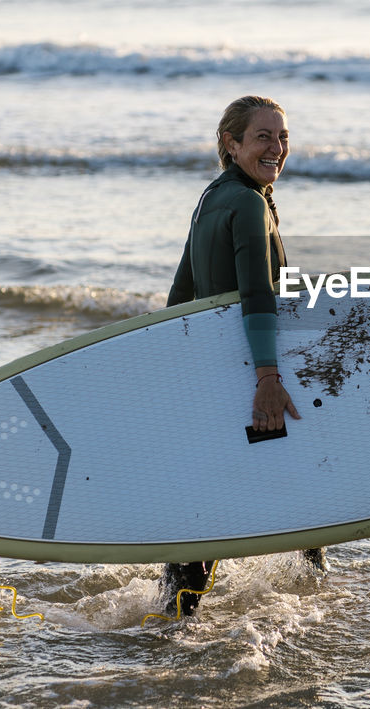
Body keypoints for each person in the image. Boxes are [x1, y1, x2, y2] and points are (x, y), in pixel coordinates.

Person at [157, 95, 326, 617]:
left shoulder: (212, 198)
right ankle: (314, 596)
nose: (277, 148)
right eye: (262, 137)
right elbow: (257, 295)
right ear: (230, 144)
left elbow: (178, 300)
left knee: (219, 489)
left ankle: (173, 614)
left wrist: (180, 376)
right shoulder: (250, 203)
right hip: (247, 370)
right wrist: (268, 376)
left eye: (283, 138)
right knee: (304, 478)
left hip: (217, 372)